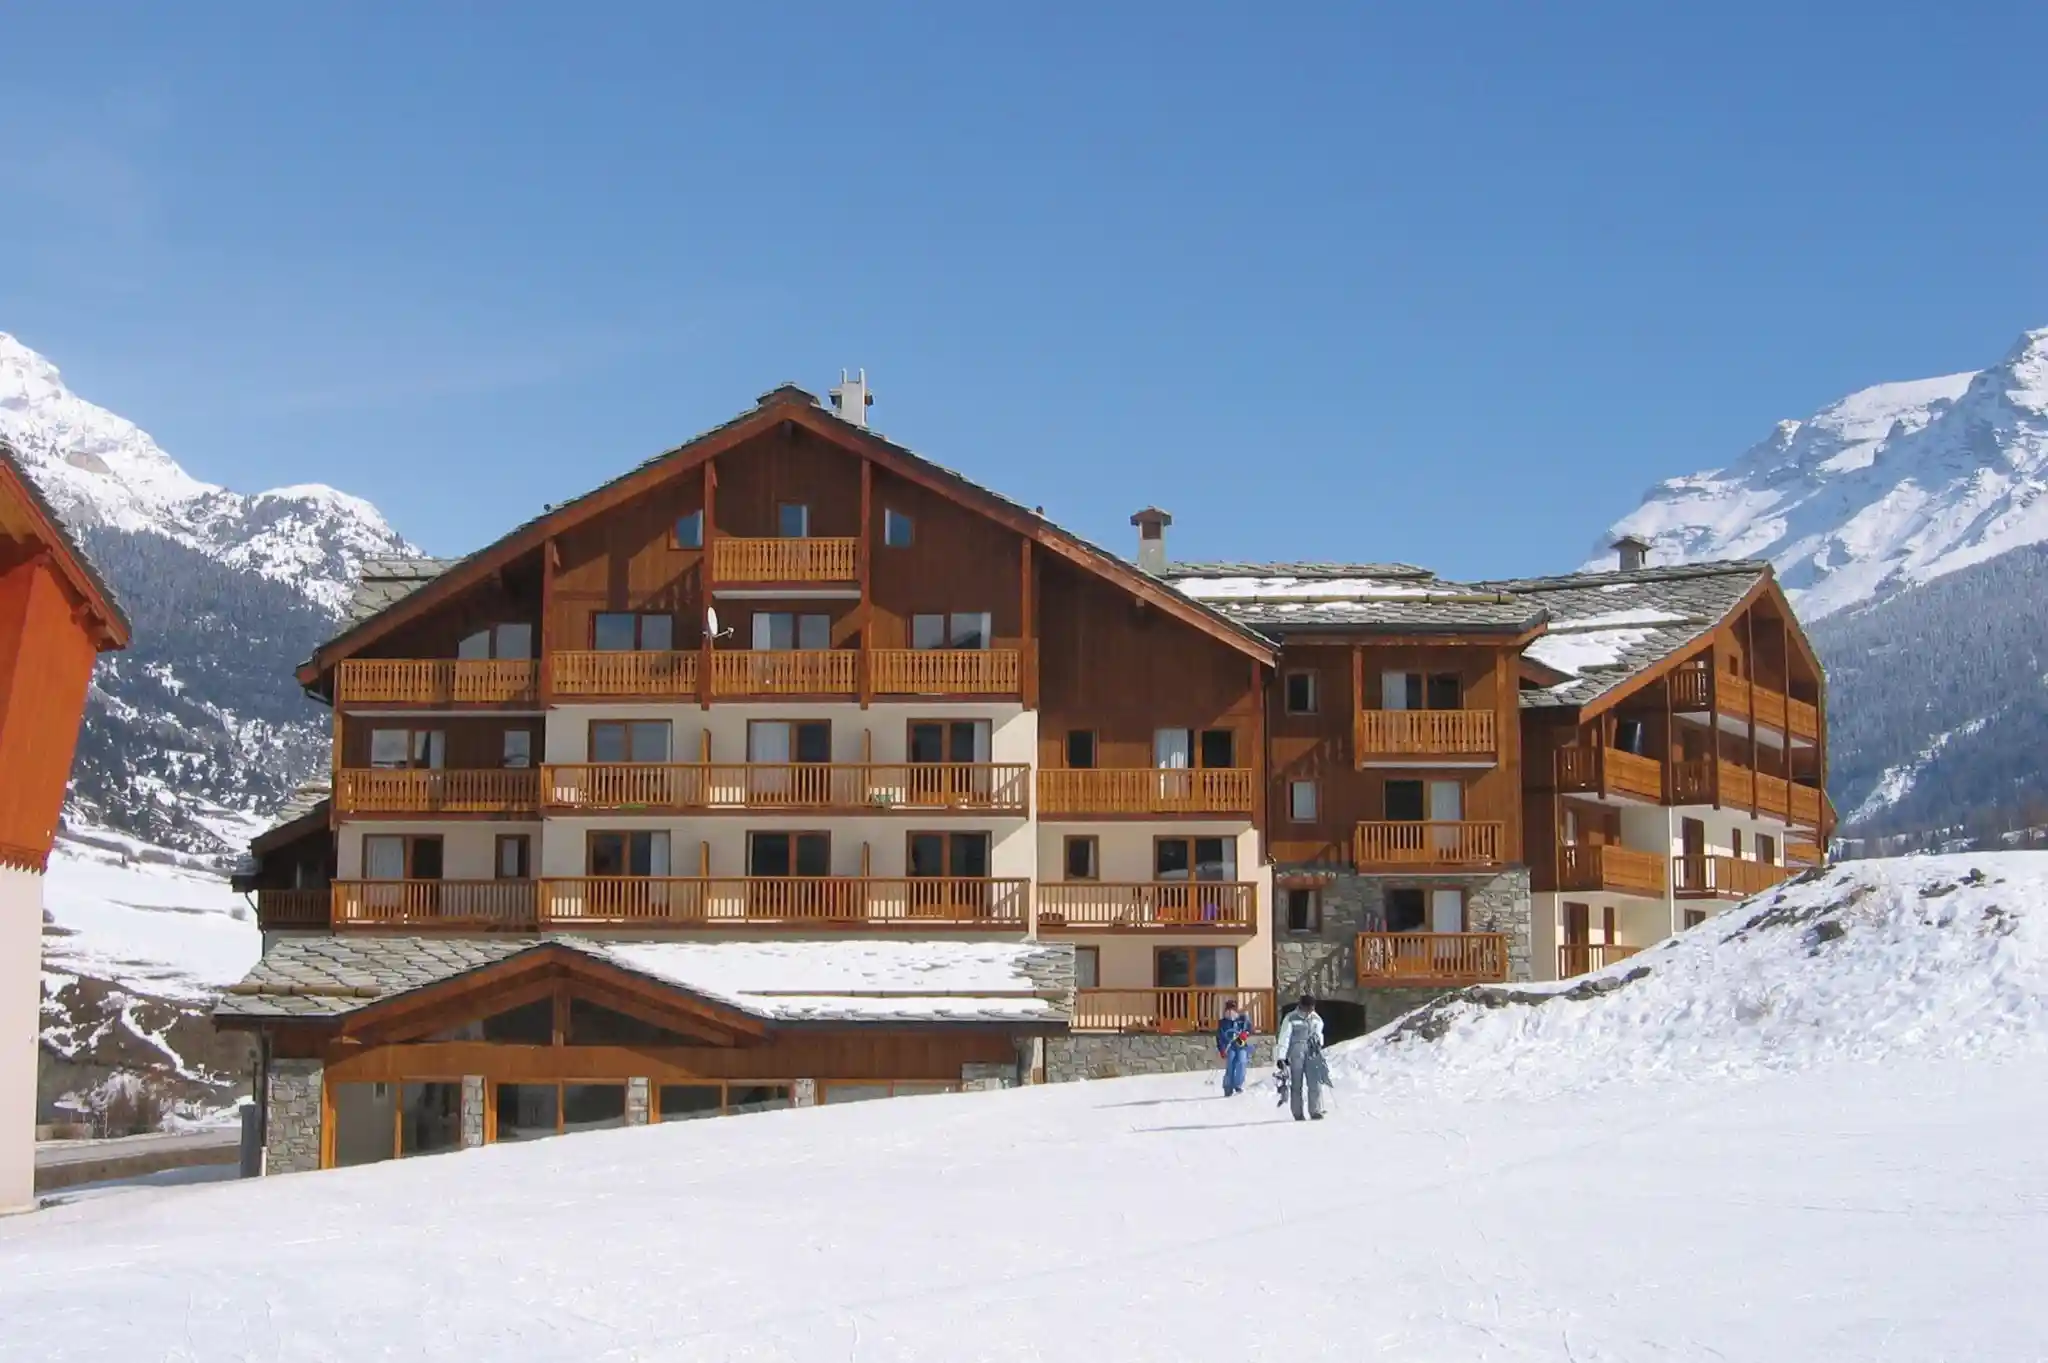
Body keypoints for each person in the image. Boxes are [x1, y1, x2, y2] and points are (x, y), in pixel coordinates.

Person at [1274, 994, 1329, 1121]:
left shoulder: (1316, 1019)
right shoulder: (1291, 1018)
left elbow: (1320, 1034)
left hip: (1311, 1052)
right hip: (1296, 1053)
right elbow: (1284, 1037)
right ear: (1301, 1006)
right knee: (1296, 1083)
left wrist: (1319, 1042)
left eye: (1312, 1008)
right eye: (1308, 1008)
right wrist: (1281, 1057)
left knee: (1314, 1083)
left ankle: (1315, 1110)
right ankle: (1298, 1113)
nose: (1310, 1011)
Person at [1215, 1000, 1252, 1096]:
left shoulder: (1242, 1020)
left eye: (1233, 1009)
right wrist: (1222, 1049)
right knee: (1230, 1064)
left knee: (1242, 1061)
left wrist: (1245, 1033)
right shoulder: (1223, 1023)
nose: (1230, 1012)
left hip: (1240, 1044)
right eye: (1229, 1009)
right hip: (1229, 1046)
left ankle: (1238, 1084)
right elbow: (1220, 1037)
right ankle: (1228, 1087)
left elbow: (1249, 1029)